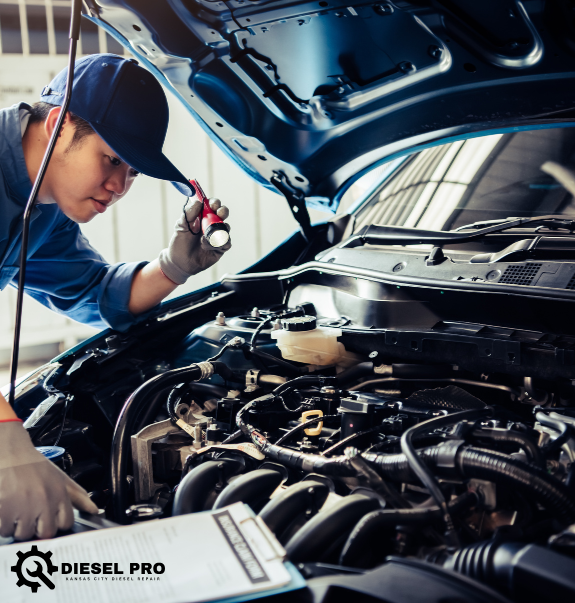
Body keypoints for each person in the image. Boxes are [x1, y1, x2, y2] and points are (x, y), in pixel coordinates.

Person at [0, 53, 231, 540]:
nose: (119, 187)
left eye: (133, 172)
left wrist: (172, 268)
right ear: (60, 124)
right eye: (112, 159)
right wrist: (5, 437)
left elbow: (93, 292)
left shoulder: (43, 207)